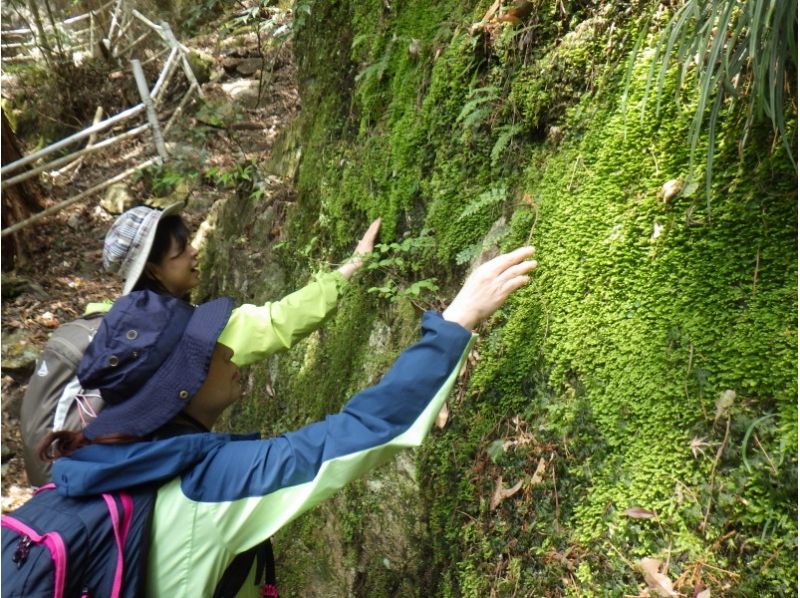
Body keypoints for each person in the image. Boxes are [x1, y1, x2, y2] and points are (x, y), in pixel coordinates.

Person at [39, 246, 537, 596]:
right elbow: (360, 432)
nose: (231, 348)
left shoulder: (96, 461)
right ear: (181, 386)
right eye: (211, 348)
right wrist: (454, 323)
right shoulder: (205, 486)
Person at [20, 201, 381, 485]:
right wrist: (348, 270)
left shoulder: (106, 327)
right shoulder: (178, 334)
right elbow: (274, 323)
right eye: (180, 251)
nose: (194, 251)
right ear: (152, 270)